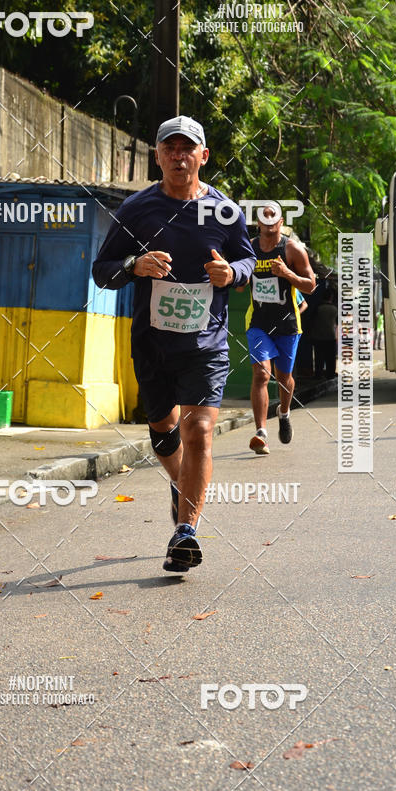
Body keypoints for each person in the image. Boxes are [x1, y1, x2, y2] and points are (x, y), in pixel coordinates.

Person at [92, 116, 255, 572]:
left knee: (198, 430)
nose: (179, 156)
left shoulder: (225, 211)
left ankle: (185, 531)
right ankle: (182, 485)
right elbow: (102, 271)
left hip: (206, 343)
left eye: (188, 149)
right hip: (152, 343)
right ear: (158, 156)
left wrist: (232, 273)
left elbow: (247, 261)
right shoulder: (137, 209)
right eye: (170, 148)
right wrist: (134, 265)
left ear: (204, 156)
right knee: (163, 431)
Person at [239, 203, 315, 455]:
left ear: (281, 222)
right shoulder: (248, 248)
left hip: (288, 323)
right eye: (265, 216)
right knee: (261, 374)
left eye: (274, 215)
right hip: (258, 322)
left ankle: (283, 412)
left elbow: (311, 285)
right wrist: (237, 275)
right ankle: (261, 432)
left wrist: (286, 273)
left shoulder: (292, 249)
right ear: (258, 222)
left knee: (284, 378)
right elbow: (239, 286)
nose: (269, 219)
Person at [311, 289, 338, 378]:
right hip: (331, 336)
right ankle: (331, 374)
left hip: (318, 336)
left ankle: (318, 374)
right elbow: (338, 322)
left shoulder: (318, 308)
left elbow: (312, 321)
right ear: (331, 297)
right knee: (331, 357)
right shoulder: (334, 308)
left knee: (319, 357)